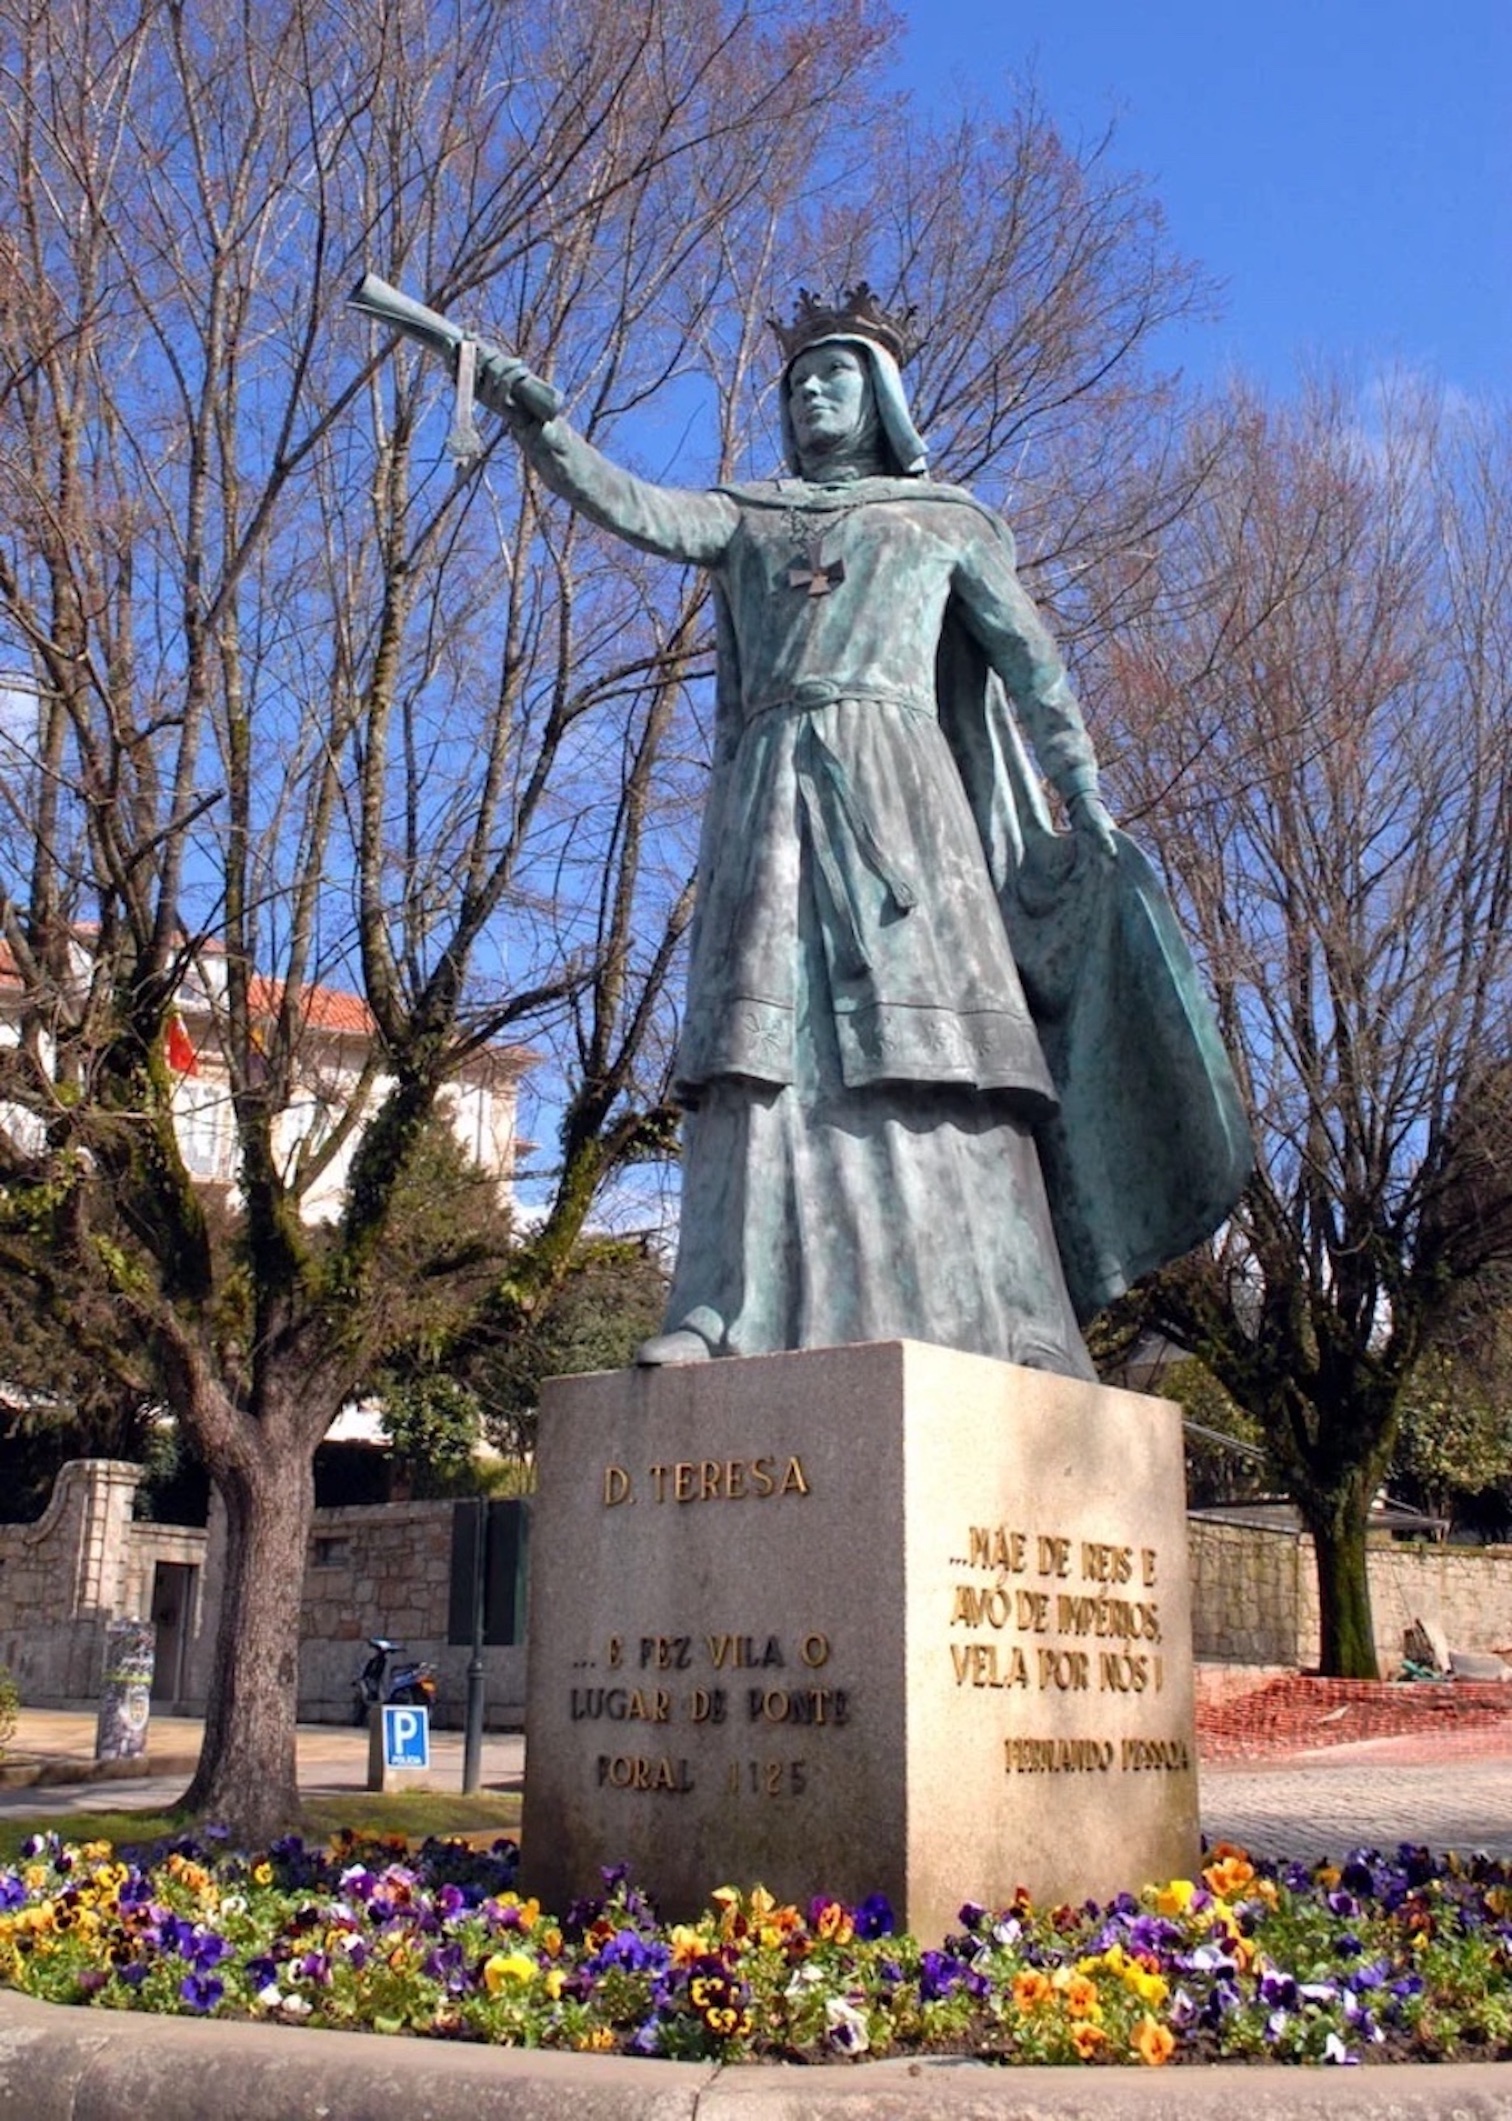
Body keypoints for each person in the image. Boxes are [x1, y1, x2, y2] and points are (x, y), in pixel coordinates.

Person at [477, 286, 1249, 1379]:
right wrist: (543, 428)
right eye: (795, 384)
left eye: (832, 377)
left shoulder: (947, 524)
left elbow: (1033, 667)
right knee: (758, 1049)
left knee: (936, 1052)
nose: (809, 397)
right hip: (771, 802)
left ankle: (999, 1310)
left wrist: (1081, 792)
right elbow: (639, 508)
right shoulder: (748, 516)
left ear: (881, 395)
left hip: (903, 799)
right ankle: (727, 1307)